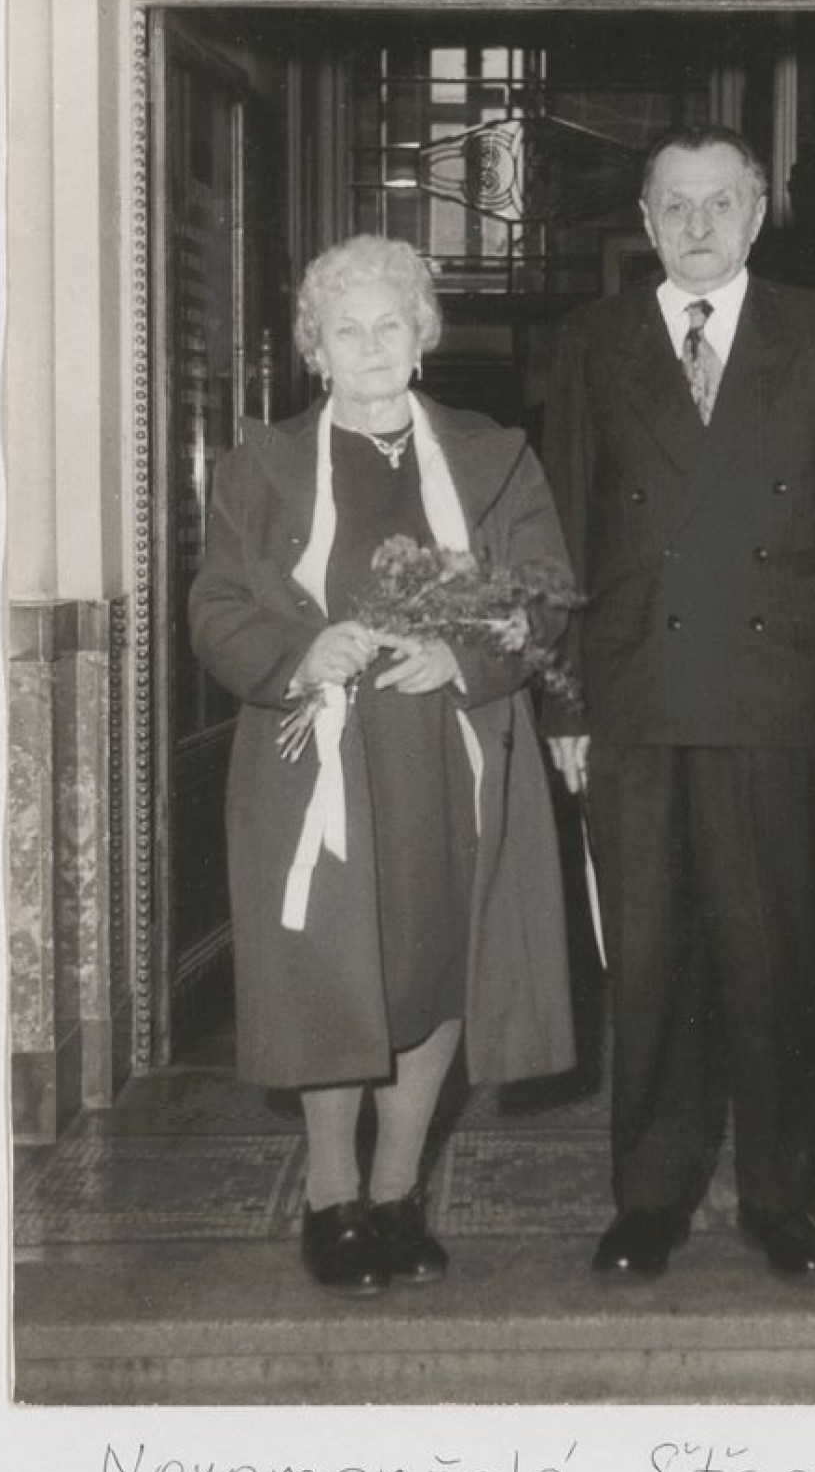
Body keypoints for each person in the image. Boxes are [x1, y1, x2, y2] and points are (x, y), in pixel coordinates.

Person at [189, 235, 575, 1297]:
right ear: (314, 349)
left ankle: (398, 1195)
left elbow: (544, 590)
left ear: (423, 337)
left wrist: (465, 656)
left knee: (434, 964)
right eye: (345, 329)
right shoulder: (261, 466)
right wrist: (300, 650)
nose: (369, 346)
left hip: (449, 753)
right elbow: (215, 607)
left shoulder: (494, 456)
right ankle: (331, 1197)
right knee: (328, 966)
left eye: (389, 325)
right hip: (313, 759)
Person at [544, 126, 815, 1287]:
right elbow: (564, 538)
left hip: (772, 692)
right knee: (648, 963)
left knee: (771, 959)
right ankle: (648, 1199)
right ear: (645, 223)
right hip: (632, 693)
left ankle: (779, 1201)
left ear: (755, 215)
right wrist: (565, 704)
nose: (697, 227)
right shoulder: (591, 342)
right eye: (675, 206)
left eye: (719, 203)